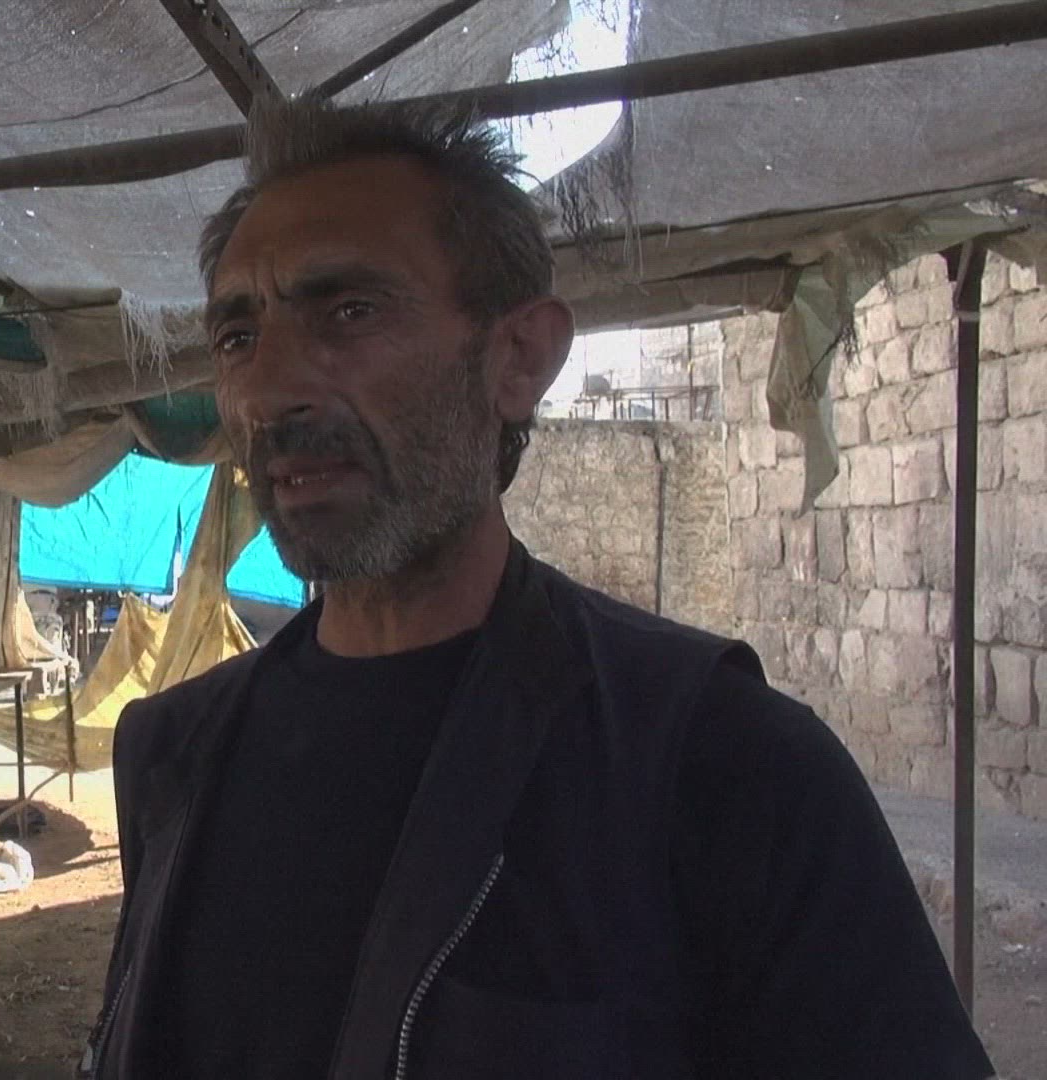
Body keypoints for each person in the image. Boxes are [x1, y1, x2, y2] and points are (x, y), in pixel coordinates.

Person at [84, 100, 993, 1079]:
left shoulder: (724, 768)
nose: (269, 391)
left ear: (518, 359)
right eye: (237, 336)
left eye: (350, 312)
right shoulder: (171, 753)